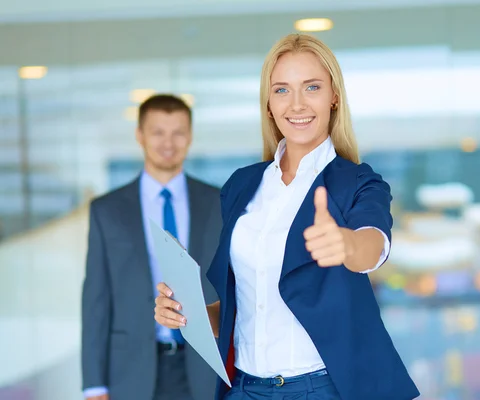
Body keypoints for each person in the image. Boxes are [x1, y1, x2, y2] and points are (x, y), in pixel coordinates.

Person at [154, 34, 420, 400]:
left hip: (322, 389)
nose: (296, 104)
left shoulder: (358, 182)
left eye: (311, 87)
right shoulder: (241, 185)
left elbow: (373, 244)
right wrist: (191, 313)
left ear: (334, 97)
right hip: (245, 389)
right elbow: (245, 307)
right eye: (281, 90)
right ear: (268, 104)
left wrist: (346, 244)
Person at [81, 94, 222, 400]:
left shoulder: (218, 203)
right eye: (158, 132)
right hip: (130, 371)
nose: (168, 142)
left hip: (205, 367)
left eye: (178, 132)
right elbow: (96, 301)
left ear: (190, 136)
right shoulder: (107, 210)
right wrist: (94, 384)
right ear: (140, 135)